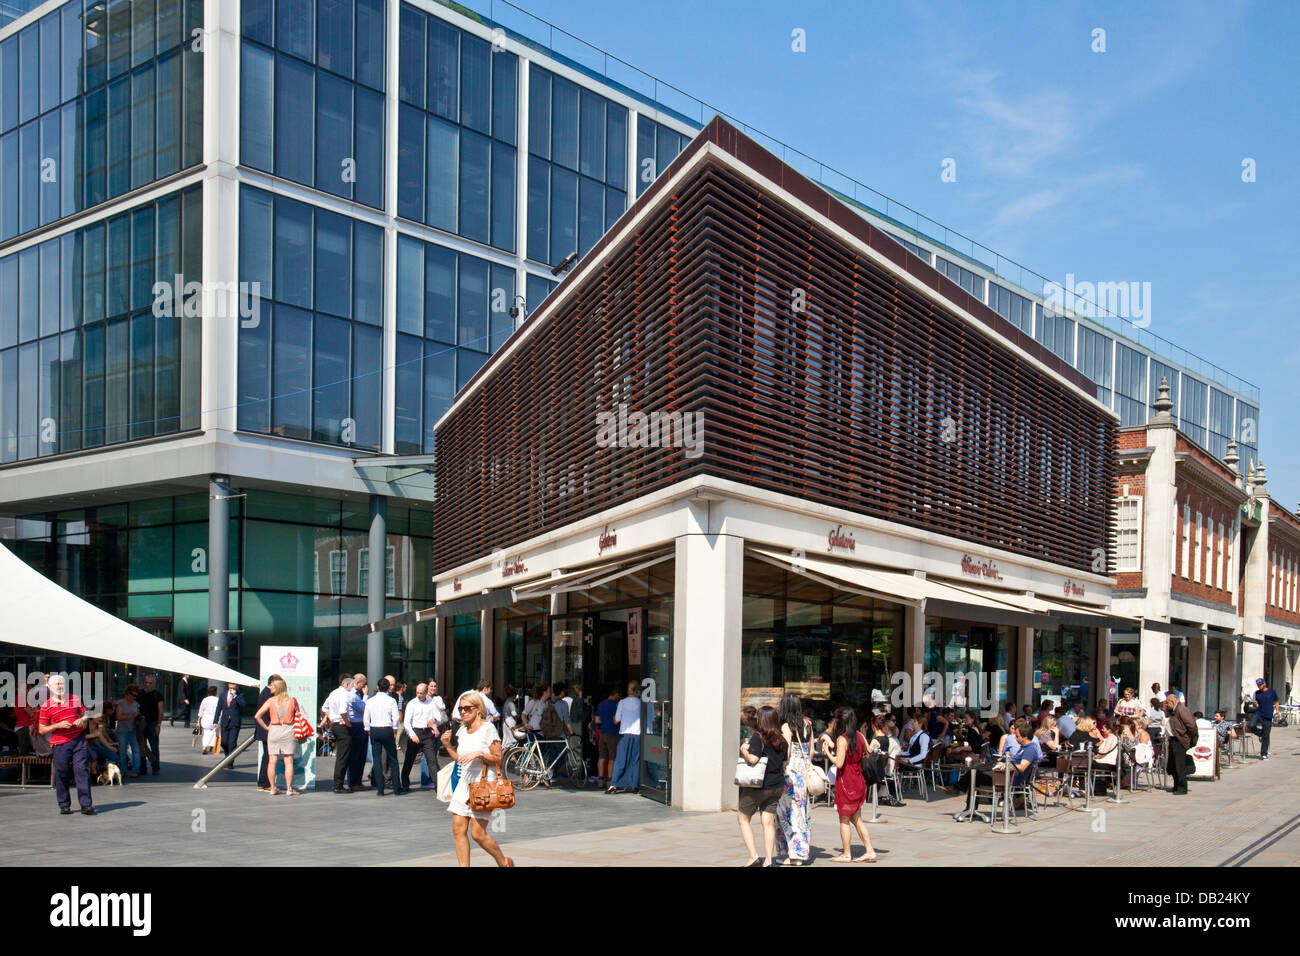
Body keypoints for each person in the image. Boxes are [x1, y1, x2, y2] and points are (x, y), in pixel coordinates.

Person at [439, 691, 513, 867]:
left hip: (484, 785)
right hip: (464, 783)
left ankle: (503, 861)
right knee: (458, 830)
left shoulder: (488, 729)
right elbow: (461, 758)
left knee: (478, 834)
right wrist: (447, 745)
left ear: (478, 709)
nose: (463, 712)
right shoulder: (463, 730)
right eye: (461, 708)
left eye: (467, 708)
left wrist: (479, 754)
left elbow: (498, 758)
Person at [820, 705, 877, 862]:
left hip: (847, 781)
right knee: (857, 818)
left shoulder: (842, 739)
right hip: (858, 779)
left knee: (844, 819)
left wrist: (827, 752)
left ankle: (846, 853)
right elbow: (867, 752)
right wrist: (834, 746)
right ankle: (870, 850)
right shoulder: (859, 735)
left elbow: (839, 763)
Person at [737, 705, 787, 867]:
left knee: (743, 818)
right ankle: (768, 860)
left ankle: (753, 856)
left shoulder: (758, 737)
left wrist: (744, 750)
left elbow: (753, 759)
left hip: (759, 786)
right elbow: (784, 762)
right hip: (777, 785)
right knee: (768, 822)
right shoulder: (782, 739)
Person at [38, 675, 94, 815]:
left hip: (78, 739)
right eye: (57, 684)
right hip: (60, 743)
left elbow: (85, 715)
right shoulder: (46, 706)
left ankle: (86, 804)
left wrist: (82, 721)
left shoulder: (74, 699)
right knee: (62, 773)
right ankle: (64, 804)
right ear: (50, 687)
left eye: (62, 683)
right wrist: (57, 725)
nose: (60, 686)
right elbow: (41, 729)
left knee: (81, 770)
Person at [774, 693, 813, 866]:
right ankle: (801, 851)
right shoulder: (807, 724)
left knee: (787, 814)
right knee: (801, 814)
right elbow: (811, 752)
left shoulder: (786, 726)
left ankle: (793, 852)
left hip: (790, 775)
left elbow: (786, 752)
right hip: (803, 776)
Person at [254, 678, 302, 795]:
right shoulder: (292, 701)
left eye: (273, 686)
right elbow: (298, 715)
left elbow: (257, 716)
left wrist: (266, 727)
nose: (271, 688)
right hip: (288, 730)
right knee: (289, 761)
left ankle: (272, 788)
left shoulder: (271, 701)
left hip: (274, 730)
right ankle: (289, 789)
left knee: (272, 761)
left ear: (277, 688)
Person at [364, 677, 403, 795]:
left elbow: (366, 717)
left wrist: (368, 729)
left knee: (376, 759)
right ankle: (396, 788)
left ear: (377, 687)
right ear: (388, 688)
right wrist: (395, 729)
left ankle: (380, 789)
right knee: (393, 759)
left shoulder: (370, 701)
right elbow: (395, 717)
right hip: (387, 729)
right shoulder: (391, 701)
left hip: (374, 729)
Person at [401, 682, 441, 791]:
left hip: (427, 733)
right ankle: (405, 784)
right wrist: (412, 735)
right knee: (409, 760)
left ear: (426, 692)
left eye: (421, 693)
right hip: (416, 731)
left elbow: (439, 717)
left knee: (432, 760)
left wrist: (435, 721)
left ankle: (438, 785)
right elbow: (406, 722)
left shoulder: (431, 703)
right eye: (417, 693)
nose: (419, 695)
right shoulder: (412, 703)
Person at [607, 681, 642, 794]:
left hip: (625, 734)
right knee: (635, 760)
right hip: (637, 734)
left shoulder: (622, 702)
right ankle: (634, 785)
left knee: (621, 759)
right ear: (637, 691)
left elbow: (617, 719)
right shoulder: (641, 703)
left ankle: (614, 784)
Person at [323, 676, 356, 793]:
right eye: (352, 686)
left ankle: (338, 783)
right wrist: (347, 722)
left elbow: (324, 707)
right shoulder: (343, 694)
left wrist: (331, 718)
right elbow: (343, 711)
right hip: (342, 726)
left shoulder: (334, 693)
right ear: (347, 685)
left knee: (341, 755)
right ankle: (338, 784)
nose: (352, 688)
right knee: (343, 756)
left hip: (336, 725)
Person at [253, 674, 282, 792]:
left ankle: (263, 782)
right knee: (268, 757)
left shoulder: (265, 692)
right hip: (267, 730)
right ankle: (266, 783)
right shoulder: (268, 694)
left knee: (267, 756)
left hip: (264, 729)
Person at [1165, 692, 1196, 795]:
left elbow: (1191, 725)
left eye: (1167, 703)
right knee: (1172, 765)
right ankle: (1176, 785)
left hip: (1179, 740)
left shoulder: (1182, 709)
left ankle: (1182, 788)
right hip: (1173, 739)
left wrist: (1188, 738)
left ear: (1172, 702)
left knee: (1179, 765)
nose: (1166, 705)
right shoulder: (1173, 710)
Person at [137, 674, 164, 775]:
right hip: (141, 723)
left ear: (154, 684)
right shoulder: (140, 693)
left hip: (152, 723)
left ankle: (155, 767)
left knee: (154, 746)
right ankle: (142, 767)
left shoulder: (157, 694)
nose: (147, 685)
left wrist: (158, 725)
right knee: (141, 746)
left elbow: (160, 711)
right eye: (146, 683)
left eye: (150, 683)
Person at [346, 674, 370, 789]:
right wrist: (365, 696)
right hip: (356, 725)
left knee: (361, 754)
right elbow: (363, 708)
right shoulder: (352, 695)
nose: (364, 687)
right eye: (363, 684)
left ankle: (357, 781)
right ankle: (353, 781)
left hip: (360, 725)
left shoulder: (356, 694)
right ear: (358, 683)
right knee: (356, 754)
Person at [595, 685, 621, 787]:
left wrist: (604, 721)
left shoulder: (601, 704)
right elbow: (615, 721)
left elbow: (597, 720)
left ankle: (600, 779)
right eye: (619, 694)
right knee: (612, 758)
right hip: (612, 733)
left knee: (601, 757)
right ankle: (610, 780)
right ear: (616, 694)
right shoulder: (615, 705)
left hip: (602, 733)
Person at [214, 682, 246, 765]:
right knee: (224, 742)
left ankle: (230, 762)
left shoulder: (240, 695)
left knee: (232, 742)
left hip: (234, 722)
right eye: (230, 684)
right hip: (225, 721)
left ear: (237, 686)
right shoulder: (223, 694)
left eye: (234, 684)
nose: (232, 686)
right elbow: (219, 708)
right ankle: (227, 756)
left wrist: (235, 696)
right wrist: (215, 721)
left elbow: (243, 705)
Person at [114, 685, 142, 777]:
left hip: (134, 730)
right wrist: (131, 716)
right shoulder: (121, 703)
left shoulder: (136, 704)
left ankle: (136, 770)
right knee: (122, 751)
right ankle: (123, 770)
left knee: (136, 750)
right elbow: (118, 717)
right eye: (133, 695)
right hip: (122, 730)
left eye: (136, 695)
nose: (134, 697)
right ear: (127, 694)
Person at [1251, 678, 1279, 759]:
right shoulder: (1257, 693)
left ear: (1264, 684)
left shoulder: (1271, 692)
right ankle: (1261, 734)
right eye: (1258, 685)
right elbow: (1255, 704)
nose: (1259, 686)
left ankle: (1264, 753)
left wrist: (1277, 711)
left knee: (1266, 736)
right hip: (1259, 713)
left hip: (1268, 715)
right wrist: (1255, 704)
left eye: (1260, 685)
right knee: (1251, 725)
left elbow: (1276, 701)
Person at [196, 686, 219, 754]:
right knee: (214, 733)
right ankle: (212, 746)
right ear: (215, 692)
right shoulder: (218, 700)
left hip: (206, 719)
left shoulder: (205, 700)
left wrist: (198, 720)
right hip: (215, 719)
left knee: (206, 733)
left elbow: (201, 711)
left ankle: (204, 747)